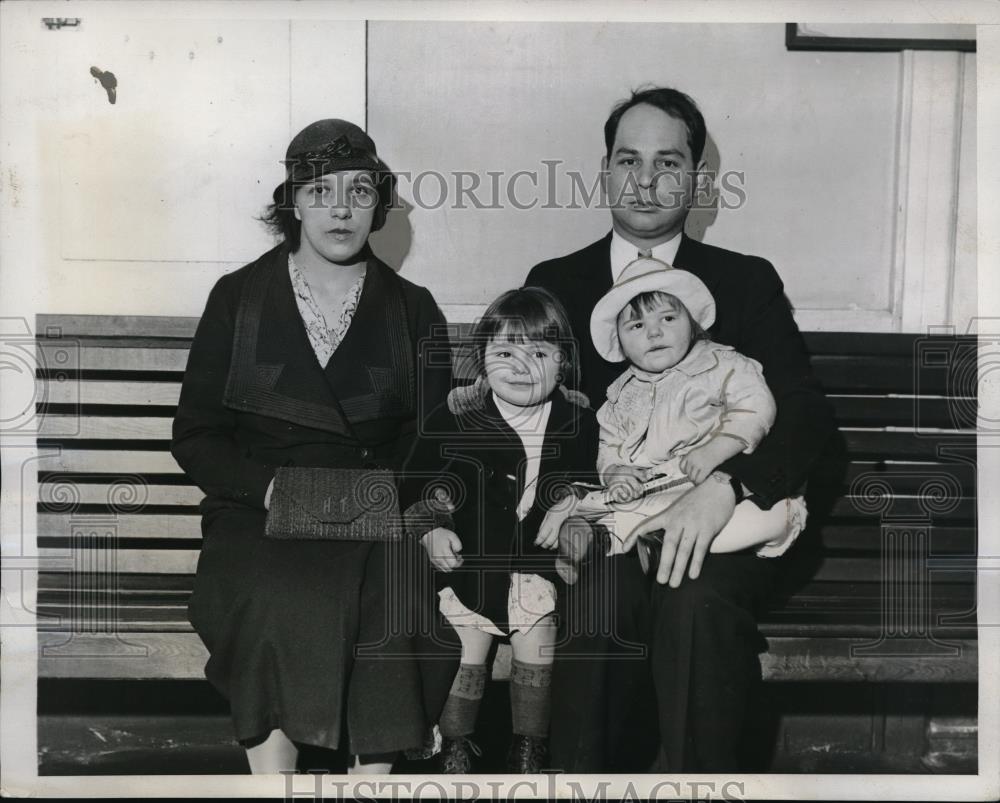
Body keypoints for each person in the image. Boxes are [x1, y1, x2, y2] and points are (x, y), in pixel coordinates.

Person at [525, 87, 835, 772]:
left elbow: (804, 412)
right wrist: (586, 501)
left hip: (719, 524)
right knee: (601, 596)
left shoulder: (743, 282)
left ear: (696, 178)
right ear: (604, 170)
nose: (645, 180)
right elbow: (542, 426)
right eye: (627, 160)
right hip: (611, 518)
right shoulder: (555, 284)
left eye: (668, 162)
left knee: (696, 604)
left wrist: (729, 484)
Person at [171, 119, 451, 774]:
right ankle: (274, 783)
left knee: (392, 597)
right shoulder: (238, 298)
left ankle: (371, 782)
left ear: (378, 205)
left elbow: (433, 440)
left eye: (359, 191)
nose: (341, 208)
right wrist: (267, 487)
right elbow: (196, 435)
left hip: (376, 515)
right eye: (320, 190)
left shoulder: (413, 309)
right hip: (259, 516)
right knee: (275, 596)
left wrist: (379, 495)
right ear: (292, 202)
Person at [399, 287, 599, 774]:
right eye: (504, 352)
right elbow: (414, 483)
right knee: (468, 638)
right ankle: (456, 744)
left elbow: (592, 481)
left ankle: (529, 745)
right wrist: (431, 529)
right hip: (470, 559)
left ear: (563, 364)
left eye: (539, 353)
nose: (520, 366)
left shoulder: (577, 420)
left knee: (539, 639)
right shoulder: (456, 416)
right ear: (482, 360)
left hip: (536, 562)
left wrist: (571, 502)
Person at [556, 256, 806, 576]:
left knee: (770, 515)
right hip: (661, 489)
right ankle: (599, 541)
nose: (655, 333)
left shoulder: (723, 364)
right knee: (622, 512)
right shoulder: (621, 394)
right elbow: (610, 440)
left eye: (669, 319)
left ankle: (656, 544)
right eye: (637, 325)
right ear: (619, 341)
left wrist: (718, 447)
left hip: (726, 491)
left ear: (692, 323)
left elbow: (756, 406)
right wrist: (615, 470)